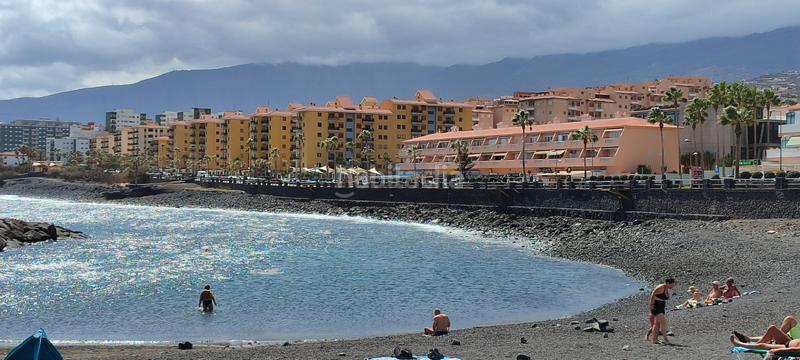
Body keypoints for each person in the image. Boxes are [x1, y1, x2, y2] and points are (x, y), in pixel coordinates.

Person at [732, 316, 800, 345]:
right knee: (789, 320)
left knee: (773, 329)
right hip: (792, 337)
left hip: (794, 341)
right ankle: (748, 339)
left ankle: (755, 345)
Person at [647, 277, 676, 344]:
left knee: (657, 323)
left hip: (661, 306)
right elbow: (652, 295)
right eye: (672, 285)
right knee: (663, 322)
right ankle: (666, 339)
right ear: (667, 283)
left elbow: (665, 297)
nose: (672, 286)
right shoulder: (661, 287)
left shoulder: (666, 288)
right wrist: (651, 305)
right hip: (656, 306)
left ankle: (654, 339)